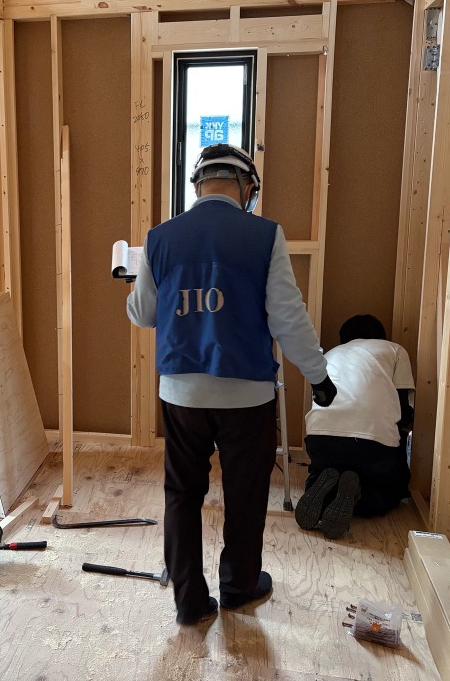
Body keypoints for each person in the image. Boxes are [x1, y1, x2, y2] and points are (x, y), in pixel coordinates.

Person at [126, 143, 336, 625]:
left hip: (181, 392)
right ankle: (239, 587)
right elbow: (288, 317)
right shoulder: (265, 235)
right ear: (247, 188)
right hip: (247, 394)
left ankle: (189, 602)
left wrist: (138, 284)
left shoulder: (160, 237)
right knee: (245, 493)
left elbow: (142, 314)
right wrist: (319, 376)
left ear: (197, 186)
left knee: (182, 493)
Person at [295, 314, 415, 539]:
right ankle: (360, 494)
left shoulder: (330, 354)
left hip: (321, 439)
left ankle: (320, 489)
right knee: (394, 485)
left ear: (344, 339)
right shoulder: (395, 350)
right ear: (380, 336)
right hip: (371, 446)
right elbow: (401, 407)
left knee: (320, 471)